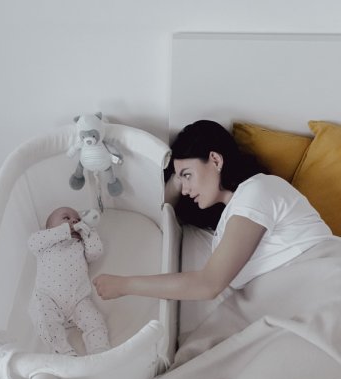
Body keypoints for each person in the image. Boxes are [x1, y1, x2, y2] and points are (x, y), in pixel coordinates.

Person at [93, 120, 333, 302]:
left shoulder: (256, 190)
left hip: (323, 282)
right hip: (295, 295)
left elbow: (208, 284)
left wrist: (124, 286)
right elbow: (161, 211)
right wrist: (177, 179)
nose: (185, 189)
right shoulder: (229, 220)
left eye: (188, 175)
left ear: (216, 160)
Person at [28, 206, 110, 356]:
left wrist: (88, 231)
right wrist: (64, 230)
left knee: (95, 320)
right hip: (49, 297)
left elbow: (95, 253)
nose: (74, 221)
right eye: (66, 218)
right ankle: (64, 354)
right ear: (49, 228)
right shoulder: (45, 243)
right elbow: (32, 242)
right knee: (44, 319)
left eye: (77, 219)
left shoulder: (79, 245)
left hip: (78, 299)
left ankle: (99, 352)